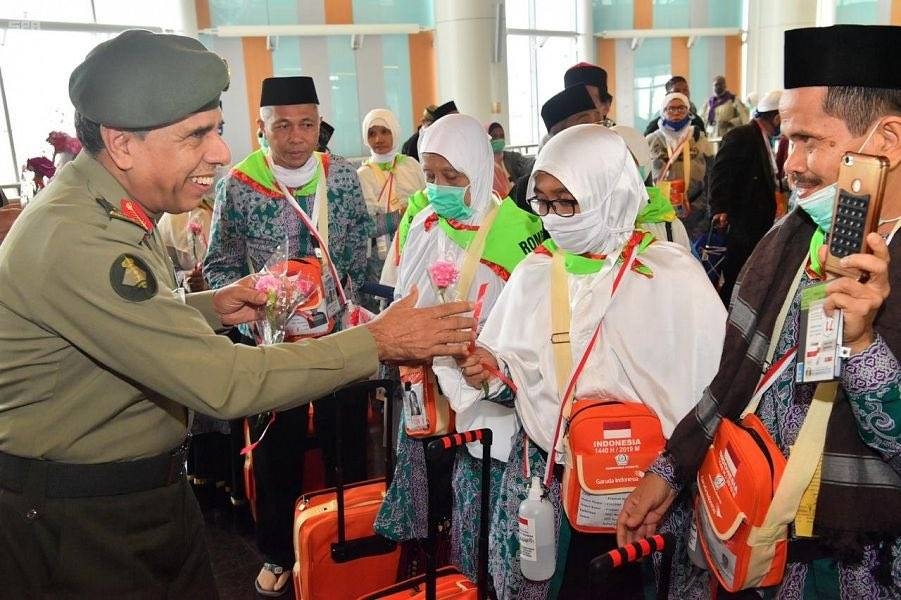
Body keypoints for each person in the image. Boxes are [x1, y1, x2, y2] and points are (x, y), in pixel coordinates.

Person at [0, 30, 477, 598]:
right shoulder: (79, 238)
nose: (221, 152)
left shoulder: (108, 208)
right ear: (122, 144)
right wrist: (377, 341)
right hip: (81, 514)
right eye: (197, 134)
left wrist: (210, 306)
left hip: (137, 491)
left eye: (218, 130)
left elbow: (127, 322)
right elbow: (223, 382)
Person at [619, 24, 901, 598]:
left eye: (809, 141)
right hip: (750, 536)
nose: (789, 165)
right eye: (787, 141)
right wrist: (670, 470)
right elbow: (733, 378)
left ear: (887, 140)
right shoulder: (792, 238)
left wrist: (867, 347)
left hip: (852, 564)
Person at [439, 124, 726, 598]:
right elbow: (515, 375)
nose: (553, 217)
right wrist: (489, 370)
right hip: (551, 482)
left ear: (609, 192)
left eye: (567, 201)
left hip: (650, 487)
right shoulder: (535, 273)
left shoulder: (671, 274)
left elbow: (710, 387)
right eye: (543, 201)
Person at [203, 75, 375, 595]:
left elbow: (361, 248)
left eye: (307, 125)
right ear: (262, 128)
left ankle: (352, 539)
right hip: (273, 347)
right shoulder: (239, 184)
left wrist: (336, 295)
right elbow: (218, 263)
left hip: (338, 338)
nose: (297, 137)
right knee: (277, 456)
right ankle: (278, 553)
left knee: (348, 442)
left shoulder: (341, 177)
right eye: (283, 126)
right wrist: (256, 304)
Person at [374, 113, 545, 581]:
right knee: (444, 497)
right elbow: (406, 297)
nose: (437, 187)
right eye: (429, 175)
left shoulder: (520, 235)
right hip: (430, 386)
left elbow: (532, 327)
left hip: (494, 402)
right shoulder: (427, 221)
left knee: (491, 506)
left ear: (481, 168)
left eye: (452, 176)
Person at [710, 89, 784, 305]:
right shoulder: (742, 135)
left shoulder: (763, 138)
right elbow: (720, 174)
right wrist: (719, 209)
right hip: (741, 224)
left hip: (754, 224)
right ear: (777, 118)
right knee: (734, 278)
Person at [357, 108, 426, 297]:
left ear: (395, 132)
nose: (378, 139)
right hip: (381, 258)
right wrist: (398, 217)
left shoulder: (411, 165)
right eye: (372, 133)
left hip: (416, 248)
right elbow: (362, 227)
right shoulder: (362, 175)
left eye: (384, 131)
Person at [612, 124, 692, 249]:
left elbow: (685, 266)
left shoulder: (668, 225)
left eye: (626, 162)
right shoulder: (586, 222)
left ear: (644, 165)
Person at [647, 92, 711, 231]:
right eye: (671, 109)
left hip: (695, 208)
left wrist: (708, 210)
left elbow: (711, 176)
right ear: (663, 111)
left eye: (681, 108)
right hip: (661, 210)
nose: (676, 113)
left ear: (688, 111)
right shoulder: (651, 140)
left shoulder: (699, 139)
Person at [643, 76, 707, 141]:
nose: (682, 94)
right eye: (677, 91)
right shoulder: (655, 126)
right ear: (667, 95)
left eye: (685, 90)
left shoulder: (697, 121)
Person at [486, 121, 533, 197]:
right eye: (494, 136)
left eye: (502, 136)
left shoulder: (512, 157)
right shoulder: (484, 164)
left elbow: (528, 165)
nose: (499, 139)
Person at [564, 62, 616, 127]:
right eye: (573, 99)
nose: (578, 106)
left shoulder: (621, 136)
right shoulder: (558, 136)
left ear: (606, 106)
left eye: (586, 97)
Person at [706, 74, 750, 139]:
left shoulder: (733, 99)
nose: (718, 87)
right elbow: (704, 119)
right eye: (715, 85)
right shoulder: (709, 103)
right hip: (713, 136)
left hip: (729, 136)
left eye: (720, 84)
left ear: (725, 85)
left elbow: (744, 117)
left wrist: (730, 123)